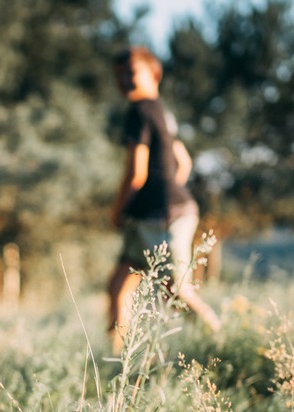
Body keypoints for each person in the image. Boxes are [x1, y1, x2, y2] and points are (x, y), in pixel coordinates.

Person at [107, 46, 221, 351]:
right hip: (154, 213)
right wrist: (167, 190)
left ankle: (220, 338)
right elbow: (183, 162)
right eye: (118, 75)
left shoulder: (139, 111)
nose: (123, 80)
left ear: (154, 73)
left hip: (162, 216)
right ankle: (113, 358)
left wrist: (118, 210)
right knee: (119, 285)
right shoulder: (161, 111)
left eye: (130, 73)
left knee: (177, 291)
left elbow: (136, 173)